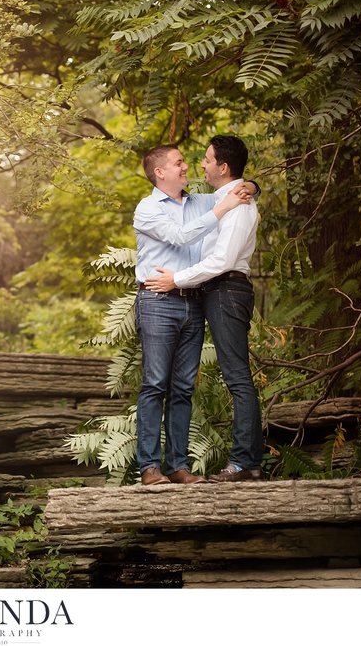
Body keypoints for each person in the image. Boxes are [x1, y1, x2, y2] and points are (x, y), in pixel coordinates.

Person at [133, 144, 255, 486]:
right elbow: (180, 235)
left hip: (193, 302)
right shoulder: (147, 209)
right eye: (179, 163)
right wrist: (226, 206)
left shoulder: (200, 201)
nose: (187, 166)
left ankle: (178, 466)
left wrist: (250, 188)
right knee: (155, 383)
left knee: (184, 387)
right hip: (158, 301)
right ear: (160, 173)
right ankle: (150, 468)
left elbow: (234, 187)